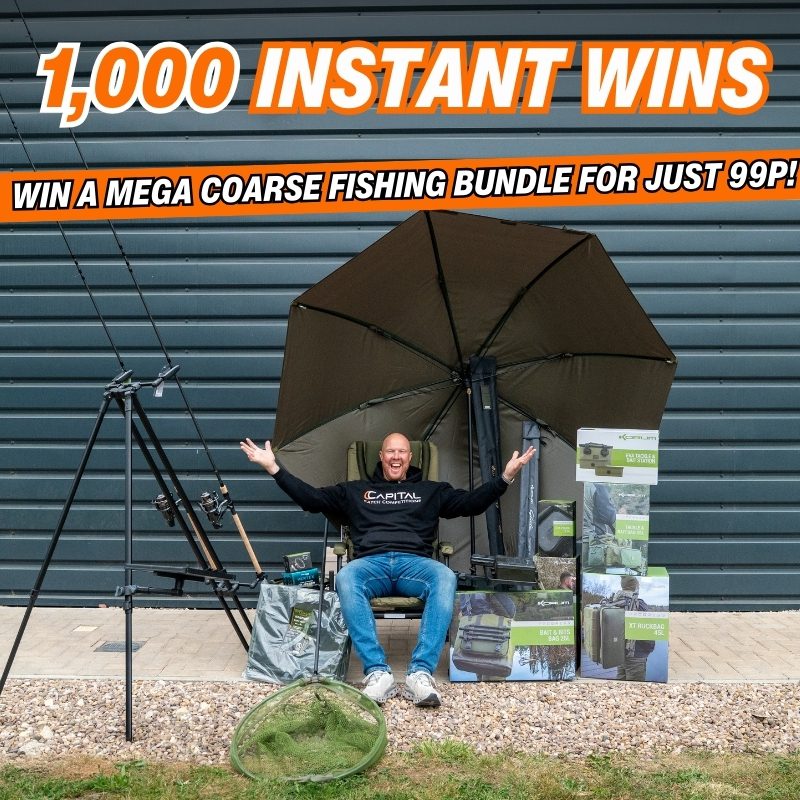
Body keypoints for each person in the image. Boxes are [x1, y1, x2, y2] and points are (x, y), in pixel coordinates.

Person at [240, 432, 535, 708]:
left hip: (414, 565)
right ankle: (377, 672)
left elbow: (471, 504)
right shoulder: (354, 490)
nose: (396, 457)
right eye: (390, 451)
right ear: (381, 456)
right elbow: (311, 499)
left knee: (444, 576)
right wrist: (274, 468)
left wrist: (505, 478)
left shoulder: (431, 491)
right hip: (371, 564)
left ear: (410, 457)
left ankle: (420, 673)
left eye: (402, 452)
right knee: (346, 576)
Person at [601, 575, 656, 681]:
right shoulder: (639, 605)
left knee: (620, 683)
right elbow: (649, 633)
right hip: (636, 656)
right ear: (635, 587)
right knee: (635, 687)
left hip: (618, 654)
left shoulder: (614, 603)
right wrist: (649, 649)